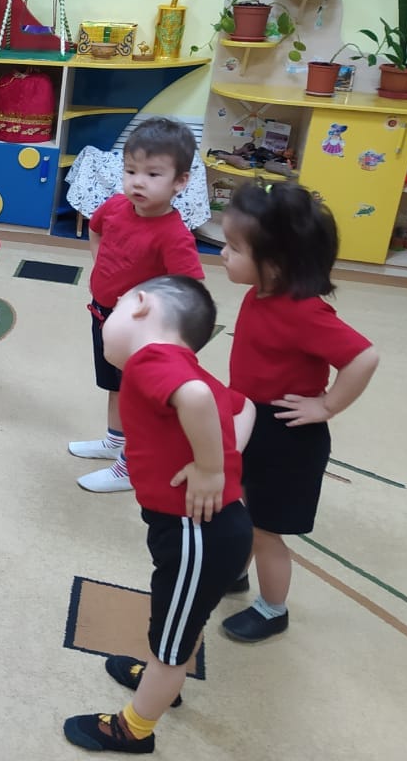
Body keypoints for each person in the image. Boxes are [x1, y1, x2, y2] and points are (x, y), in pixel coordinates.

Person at [64, 275, 255, 754]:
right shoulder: (182, 363)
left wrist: (212, 468)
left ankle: (134, 729)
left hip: (196, 532)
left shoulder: (152, 360)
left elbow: (196, 398)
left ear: (141, 306)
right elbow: (244, 407)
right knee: (178, 619)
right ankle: (162, 678)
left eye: (112, 311)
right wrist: (224, 456)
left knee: (170, 641)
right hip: (203, 529)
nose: (104, 323)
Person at [217, 182, 378, 643]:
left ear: (276, 262)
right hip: (253, 419)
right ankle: (236, 574)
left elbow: (363, 357)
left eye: (234, 248)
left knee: (266, 530)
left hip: (287, 437)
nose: (223, 254)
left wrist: (326, 405)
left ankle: (273, 610)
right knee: (241, 508)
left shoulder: (305, 312)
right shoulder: (260, 292)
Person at [69, 118, 204, 494]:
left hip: (141, 332)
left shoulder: (174, 235)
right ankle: (115, 442)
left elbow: (191, 291)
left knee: (139, 397)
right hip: (103, 314)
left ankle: (131, 467)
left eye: (153, 174)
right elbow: (96, 228)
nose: (138, 182)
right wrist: (100, 265)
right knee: (115, 386)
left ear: (180, 181)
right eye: (131, 171)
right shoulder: (115, 206)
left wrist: (158, 323)